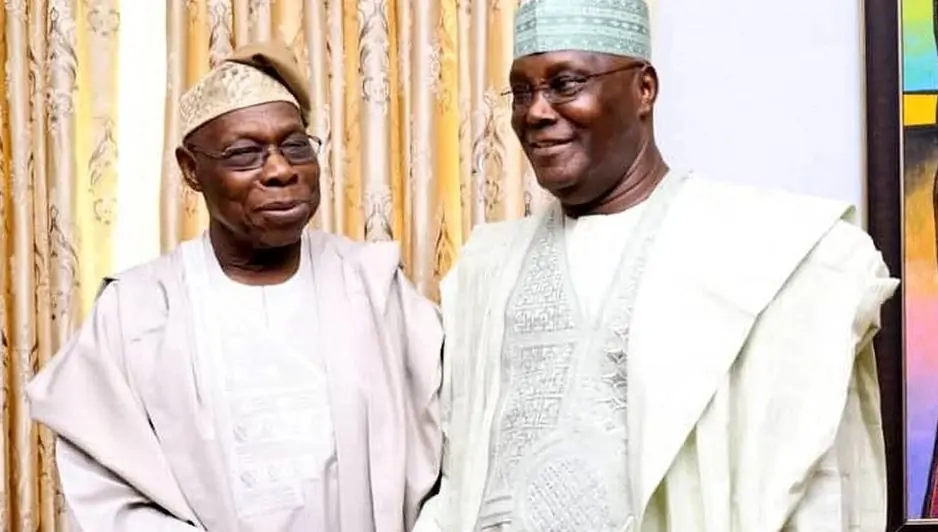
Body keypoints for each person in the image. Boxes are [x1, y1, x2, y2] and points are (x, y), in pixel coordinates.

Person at [414, 0, 897, 530]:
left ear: (644, 88)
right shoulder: (487, 267)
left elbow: (814, 484)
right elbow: (458, 478)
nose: (536, 112)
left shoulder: (761, 251)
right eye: (522, 91)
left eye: (565, 84)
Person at [27, 41, 443, 532]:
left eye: (296, 146)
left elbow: (451, 455)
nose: (280, 170)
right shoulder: (136, 312)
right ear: (191, 169)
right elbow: (106, 494)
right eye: (245, 153)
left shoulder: (374, 288)